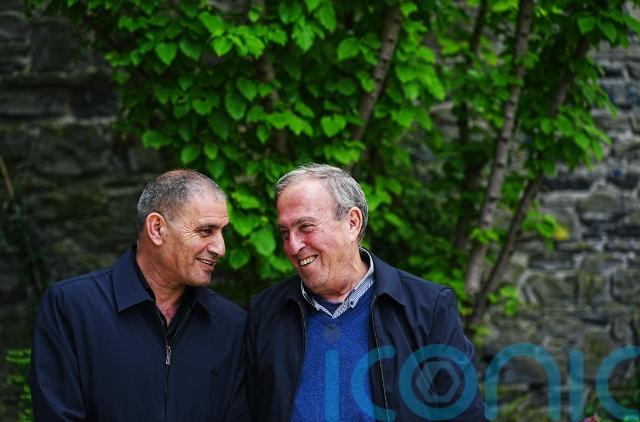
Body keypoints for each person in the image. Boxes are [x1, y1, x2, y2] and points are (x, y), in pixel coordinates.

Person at [246, 163, 486, 421]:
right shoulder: (265, 311)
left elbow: (464, 415)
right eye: (285, 233)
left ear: (352, 223)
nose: (293, 246)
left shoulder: (428, 307)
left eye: (305, 227)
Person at [30, 169, 248, 421]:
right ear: (157, 229)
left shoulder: (231, 324)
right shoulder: (72, 307)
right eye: (206, 231)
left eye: (222, 232)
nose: (220, 248)